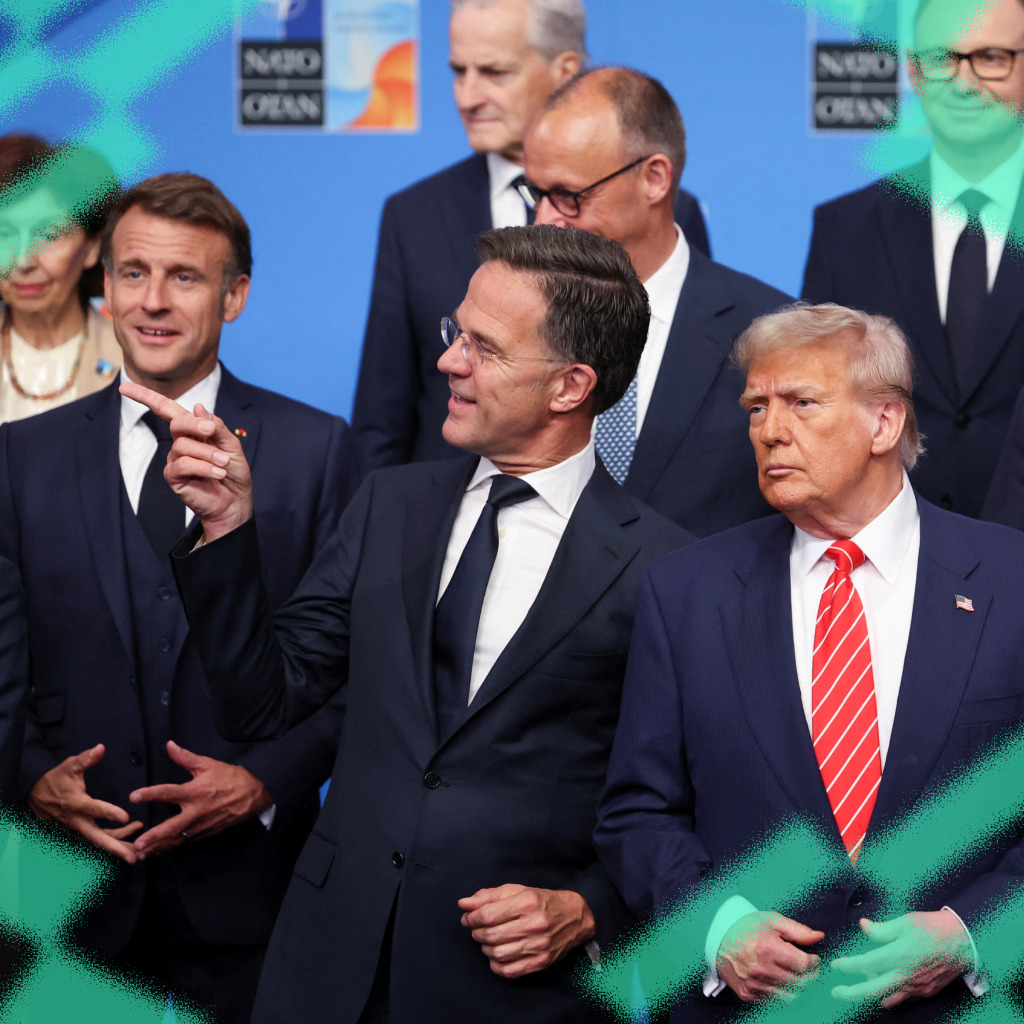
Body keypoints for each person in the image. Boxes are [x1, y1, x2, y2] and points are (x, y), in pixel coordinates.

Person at [127, 224, 690, 1024]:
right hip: (326, 965)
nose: (448, 362)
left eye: (485, 349)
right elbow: (261, 704)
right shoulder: (388, 505)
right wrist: (227, 530)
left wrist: (590, 907)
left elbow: (680, 798)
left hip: (511, 992)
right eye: (456, 332)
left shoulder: (665, 569)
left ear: (570, 386)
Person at [596, 302, 1024, 1022]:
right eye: (756, 407)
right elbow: (637, 810)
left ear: (883, 423)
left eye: (801, 402)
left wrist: (975, 932)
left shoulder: (1012, 581)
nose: (769, 430)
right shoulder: (687, 591)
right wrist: (716, 925)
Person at [0, 173, 358, 1023]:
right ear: (106, 284)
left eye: (185, 278)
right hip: (67, 889)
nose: (153, 302)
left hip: (254, 890)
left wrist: (266, 781)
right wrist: (27, 776)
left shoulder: (318, 451)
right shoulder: (19, 458)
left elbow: (359, 663)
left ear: (233, 296)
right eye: (132, 274)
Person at [351, 0, 711, 474]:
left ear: (565, 70)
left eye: (495, 72)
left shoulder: (661, 211)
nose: (467, 96)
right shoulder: (415, 214)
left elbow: (689, 372)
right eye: (459, 71)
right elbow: (383, 421)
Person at [521, 66, 790, 538]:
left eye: (568, 196)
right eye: (537, 194)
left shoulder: (774, 332)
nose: (544, 219)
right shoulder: (512, 321)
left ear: (655, 178)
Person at [803, 0, 1024, 518]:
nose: (965, 84)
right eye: (943, 60)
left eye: (991, 57)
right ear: (914, 72)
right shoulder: (845, 229)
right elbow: (817, 401)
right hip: (887, 562)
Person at [0, 134, 122, 423]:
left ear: (92, 247)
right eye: (5, 234)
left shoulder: (134, 361)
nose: (24, 261)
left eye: (49, 235)